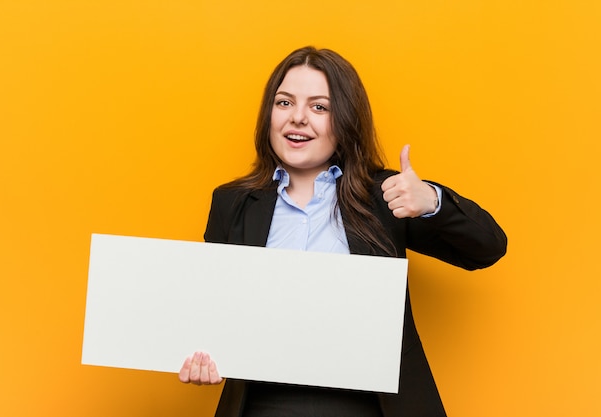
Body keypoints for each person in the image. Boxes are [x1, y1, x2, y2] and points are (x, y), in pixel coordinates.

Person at [179, 46, 507, 417]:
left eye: (319, 107)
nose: (298, 118)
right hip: (263, 405)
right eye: (284, 103)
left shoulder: (386, 197)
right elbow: (213, 315)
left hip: (372, 406)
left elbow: (488, 247)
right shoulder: (232, 204)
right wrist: (202, 356)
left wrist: (431, 200)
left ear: (346, 119)